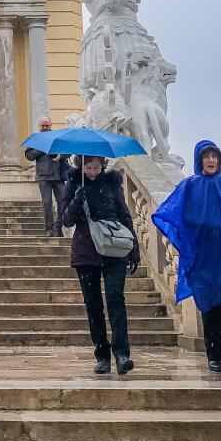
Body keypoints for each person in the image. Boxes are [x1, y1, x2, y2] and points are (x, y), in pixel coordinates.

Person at [152, 140, 221, 376]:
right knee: (210, 307)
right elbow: (172, 214)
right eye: (206, 157)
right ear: (199, 160)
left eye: (214, 156)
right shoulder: (190, 186)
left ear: (219, 159)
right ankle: (215, 357)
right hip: (204, 256)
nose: (211, 160)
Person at [61, 155, 139, 375]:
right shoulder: (73, 184)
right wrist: (77, 200)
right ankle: (102, 356)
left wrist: (134, 249)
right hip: (86, 253)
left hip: (114, 250)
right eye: (89, 167)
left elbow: (125, 215)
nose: (93, 171)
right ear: (81, 166)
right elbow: (65, 220)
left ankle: (122, 354)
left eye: (96, 167)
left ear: (103, 165)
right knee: (94, 306)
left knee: (116, 300)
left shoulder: (112, 183)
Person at [25, 116, 70, 237]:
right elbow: (29, 156)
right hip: (44, 176)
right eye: (43, 125)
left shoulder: (58, 137)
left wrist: (59, 155)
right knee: (47, 202)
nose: (45, 127)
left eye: (47, 125)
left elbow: (68, 152)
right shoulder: (36, 139)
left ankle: (59, 226)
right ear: (39, 126)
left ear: (51, 125)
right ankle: (49, 228)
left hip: (59, 176)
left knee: (63, 202)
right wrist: (41, 149)